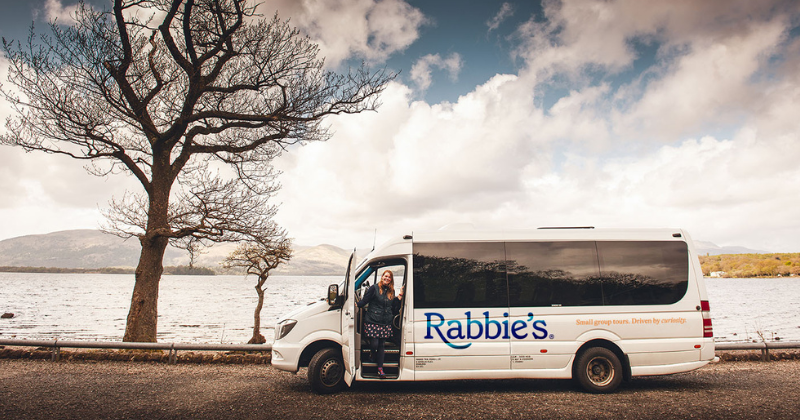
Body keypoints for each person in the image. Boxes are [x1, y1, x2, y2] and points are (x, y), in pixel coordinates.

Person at [356, 270, 399, 378]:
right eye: (385, 276)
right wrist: (356, 305)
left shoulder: (391, 291)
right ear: (382, 277)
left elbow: (392, 306)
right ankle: (372, 353)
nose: (387, 278)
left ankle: (380, 368)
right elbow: (365, 300)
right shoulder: (374, 288)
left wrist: (399, 297)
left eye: (389, 277)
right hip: (372, 320)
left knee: (381, 345)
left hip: (385, 322)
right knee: (374, 344)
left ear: (391, 279)